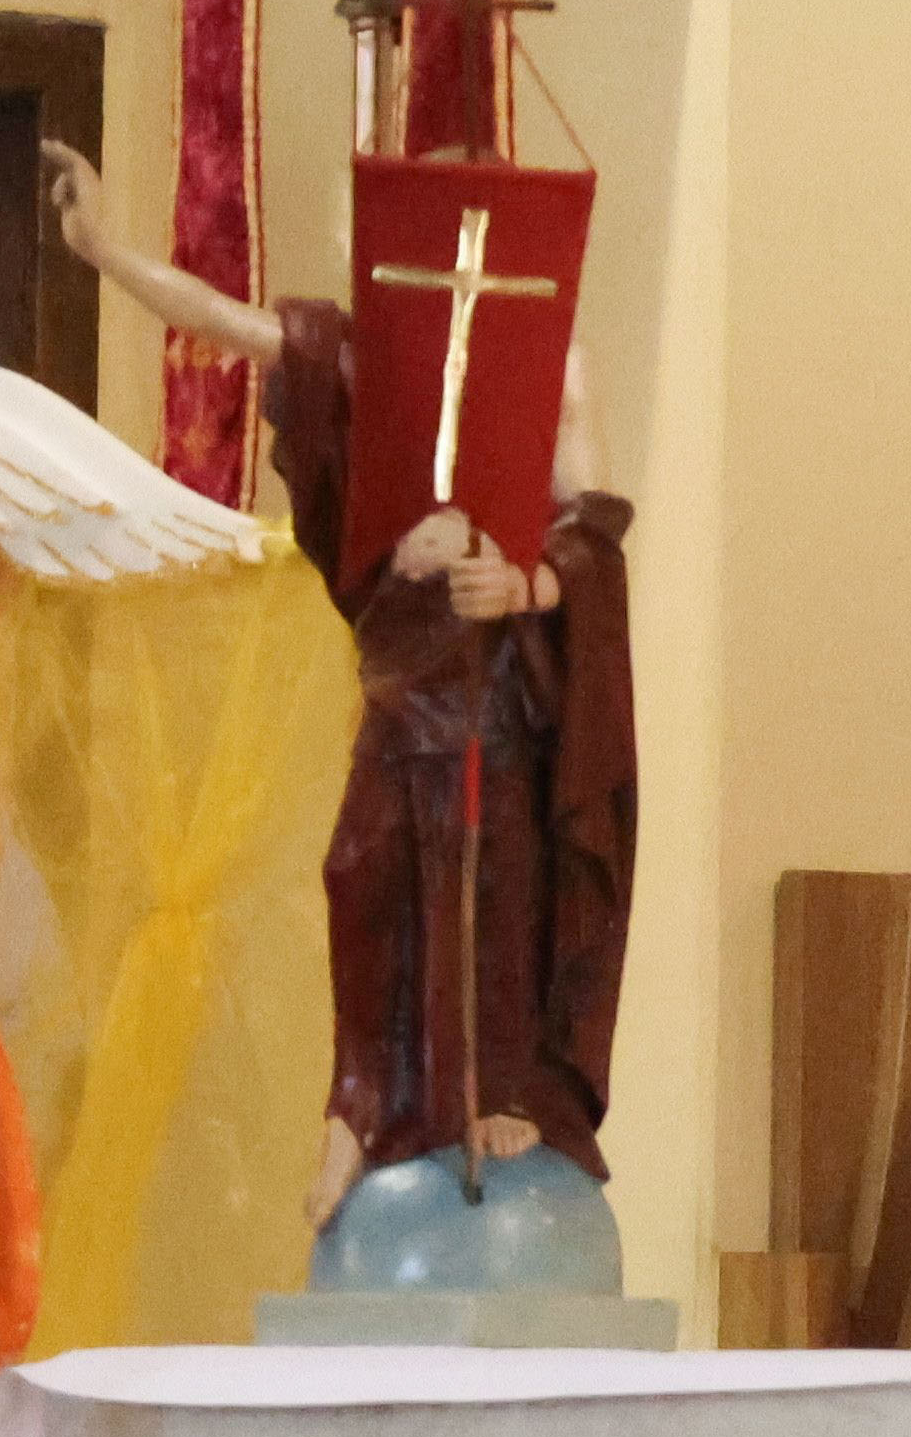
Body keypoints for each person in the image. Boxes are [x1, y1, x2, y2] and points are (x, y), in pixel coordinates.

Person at [46, 141, 634, 1226]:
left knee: (490, 885)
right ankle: (357, 1107)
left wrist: (520, 581)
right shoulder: (364, 357)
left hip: (494, 693)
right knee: (361, 877)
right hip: (402, 683)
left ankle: (500, 1092)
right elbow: (224, 323)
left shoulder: (555, 366)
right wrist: (104, 250)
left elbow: (590, 529)